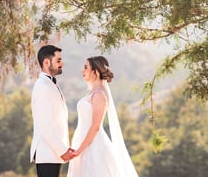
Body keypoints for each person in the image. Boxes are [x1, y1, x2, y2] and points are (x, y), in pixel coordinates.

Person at [67, 56, 139, 177]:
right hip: (84, 142)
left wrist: (79, 150)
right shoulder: (93, 93)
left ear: (95, 72)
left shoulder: (99, 95)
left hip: (93, 145)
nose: (82, 71)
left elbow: (95, 126)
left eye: (86, 67)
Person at [30, 45, 74, 177]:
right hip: (47, 153)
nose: (62, 63)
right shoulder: (42, 87)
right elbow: (44, 125)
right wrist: (62, 150)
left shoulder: (50, 85)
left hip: (52, 154)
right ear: (46, 62)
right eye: (58, 60)